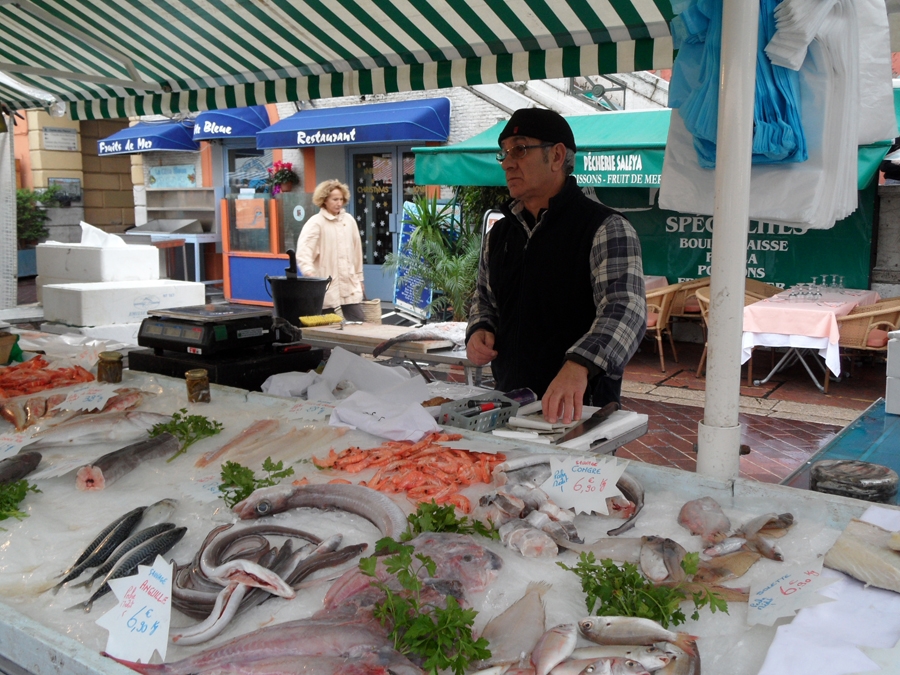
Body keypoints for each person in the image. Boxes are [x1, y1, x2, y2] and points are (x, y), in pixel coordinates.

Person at [466, 108, 647, 424]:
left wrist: (579, 363)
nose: (508, 162)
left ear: (557, 156)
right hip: (509, 405)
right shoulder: (500, 234)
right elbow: (485, 300)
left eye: (520, 149)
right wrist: (481, 328)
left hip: (580, 410)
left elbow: (626, 311)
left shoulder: (605, 227)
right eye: (504, 153)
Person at [297, 179, 366, 321]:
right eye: (334, 199)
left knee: (360, 324)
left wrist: (359, 278)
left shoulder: (349, 221)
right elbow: (304, 252)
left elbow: (357, 252)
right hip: (326, 286)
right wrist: (310, 273)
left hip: (349, 285)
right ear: (324, 200)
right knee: (329, 328)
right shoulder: (316, 223)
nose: (339, 203)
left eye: (341, 199)